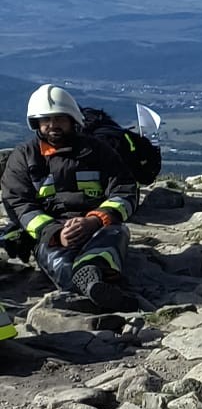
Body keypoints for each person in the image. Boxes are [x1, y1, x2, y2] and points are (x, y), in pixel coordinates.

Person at [2, 85, 143, 313]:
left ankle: (91, 277)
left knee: (115, 235)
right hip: (52, 232)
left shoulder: (98, 151)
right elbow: (18, 204)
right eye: (45, 120)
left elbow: (125, 190)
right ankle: (94, 289)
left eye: (59, 118)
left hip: (97, 225)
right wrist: (55, 233)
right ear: (35, 123)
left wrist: (96, 220)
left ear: (72, 119)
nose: (52, 126)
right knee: (57, 259)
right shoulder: (24, 157)